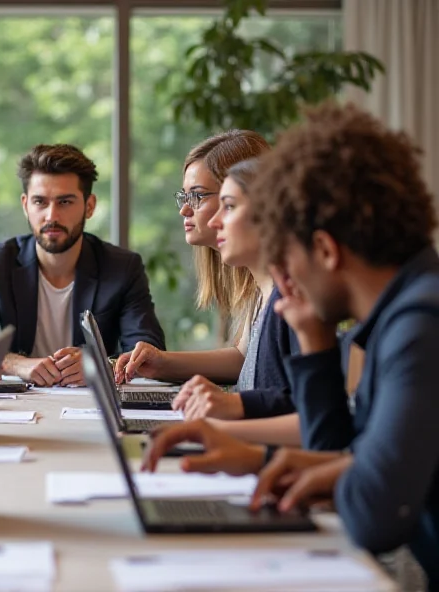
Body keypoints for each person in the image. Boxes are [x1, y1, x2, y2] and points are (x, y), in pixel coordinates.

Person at [143, 102, 439, 585]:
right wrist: (315, 343)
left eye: (288, 254)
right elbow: (340, 453)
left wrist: (261, 453)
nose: (282, 276)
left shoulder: (421, 327)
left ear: (323, 249)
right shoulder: (406, 311)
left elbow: (375, 519)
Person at [0, 143, 165, 386]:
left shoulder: (122, 267)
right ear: (25, 205)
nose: (51, 216)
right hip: (18, 404)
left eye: (65, 202)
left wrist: (101, 365)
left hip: (91, 404)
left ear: (89, 206)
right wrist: (14, 364)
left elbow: (148, 353)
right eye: (40, 202)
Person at [115, 131, 269, 388]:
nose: (184, 209)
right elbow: (245, 359)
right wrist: (161, 362)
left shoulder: (286, 292)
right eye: (184, 196)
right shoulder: (257, 285)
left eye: (197, 196)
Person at [167, 158, 297, 421]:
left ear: (268, 214)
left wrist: (225, 417)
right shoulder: (267, 298)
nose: (215, 222)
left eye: (228, 206)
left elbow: (305, 414)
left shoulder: (288, 304)